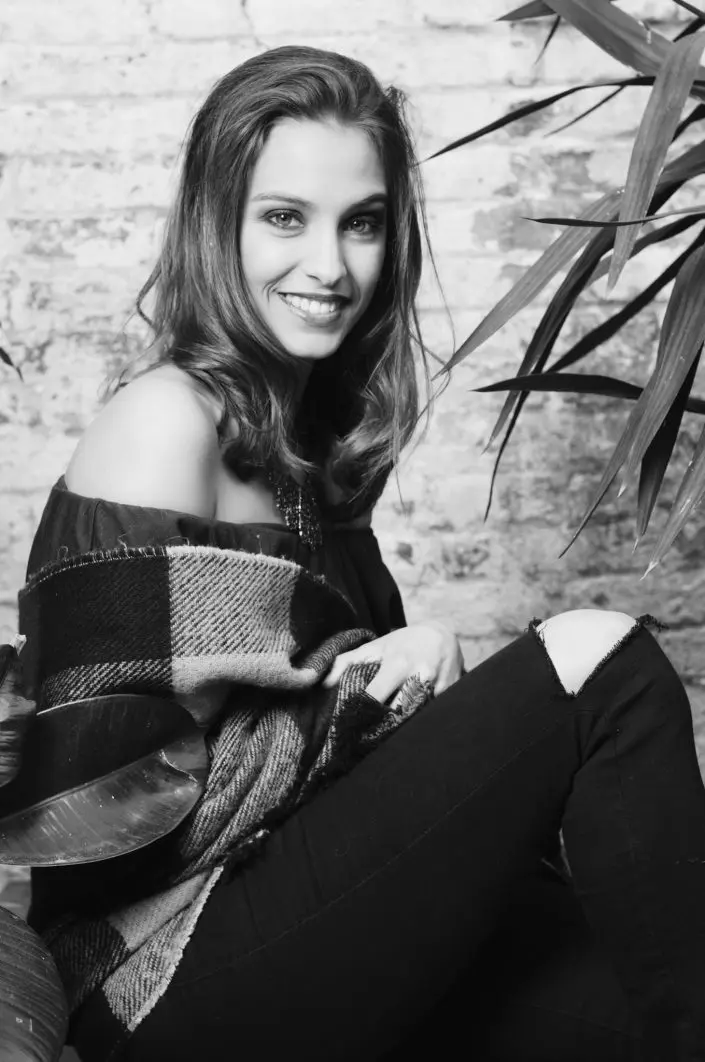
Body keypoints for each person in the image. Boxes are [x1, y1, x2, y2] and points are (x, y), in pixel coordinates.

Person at [17, 44, 705, 1062]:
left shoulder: (311, 449)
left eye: (362, 222)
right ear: (217, 223)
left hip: (302, 926)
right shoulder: (166, 424)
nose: (330, 266)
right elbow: (96, 814)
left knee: (626, 998)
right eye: (284, 218)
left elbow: (356, 777)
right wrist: (373, 691)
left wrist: (403, 699)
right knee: (602, 661)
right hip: (154, 977)